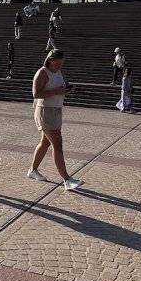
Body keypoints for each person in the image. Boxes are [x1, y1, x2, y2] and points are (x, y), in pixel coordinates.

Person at [28, 49, 83, 190]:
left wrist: (69, 89)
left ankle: (32, 170)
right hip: (45, 111)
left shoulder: (60, 72)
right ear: (50, 60)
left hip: (57, 110)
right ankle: (67, 179)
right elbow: (36, 94)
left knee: (45, 143)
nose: (59, 66)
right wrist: (56, 91)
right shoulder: (42, 72)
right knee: (57, 144)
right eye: (57, 63)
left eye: (61, 64)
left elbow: (64, 86)